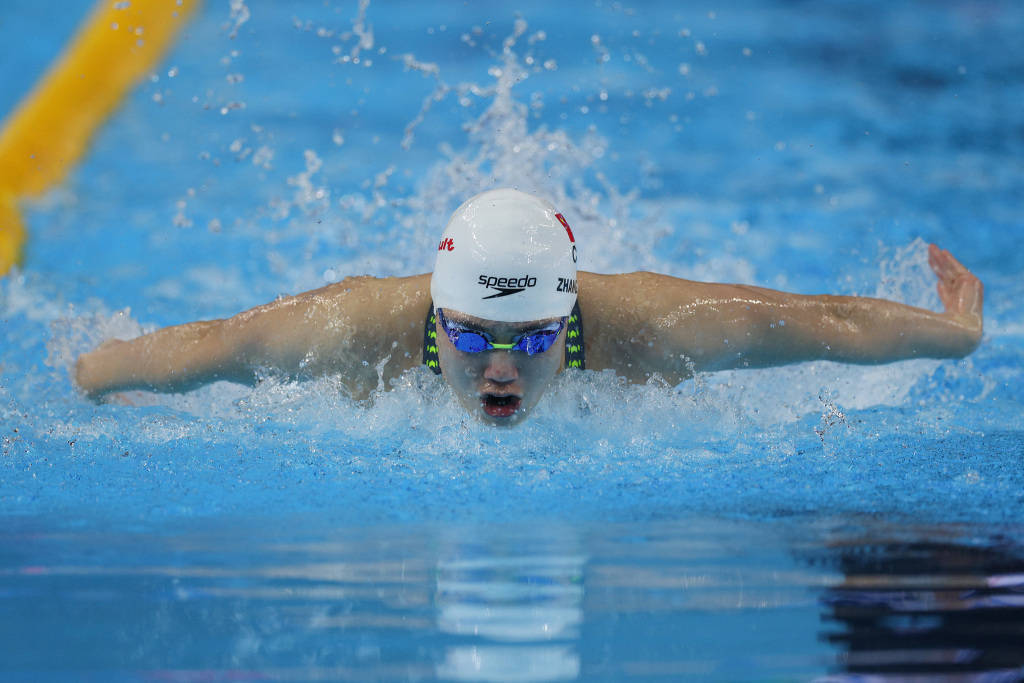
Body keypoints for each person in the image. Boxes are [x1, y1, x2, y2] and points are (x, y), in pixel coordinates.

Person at [75, 188, 984, 426]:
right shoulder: (351, 332)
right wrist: (89, 374)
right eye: (470, 334)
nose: (500, 366)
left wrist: (957, 333)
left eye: (532, 338)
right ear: (435, 319)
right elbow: (205, 346)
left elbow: (826, 323)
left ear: (570, 320)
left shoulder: (653, 325)